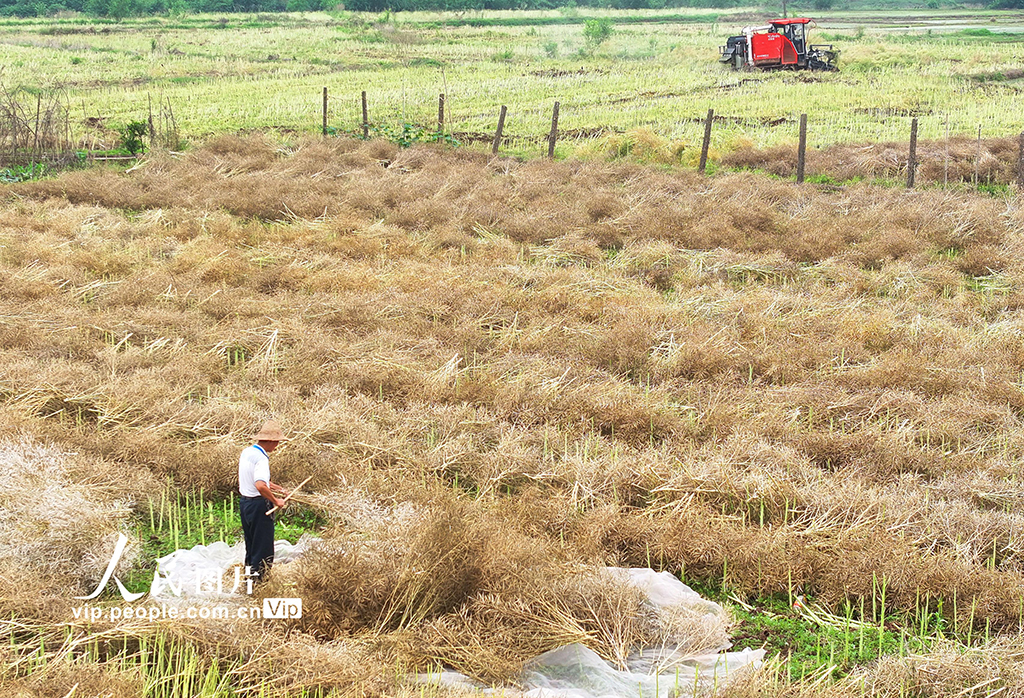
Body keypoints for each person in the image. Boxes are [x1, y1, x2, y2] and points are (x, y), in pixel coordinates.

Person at [238, 420, 289, 582]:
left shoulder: (247, 452)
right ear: (270, 441)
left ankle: (249, 578)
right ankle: (258, 583)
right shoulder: (262, 458)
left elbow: (258, 480)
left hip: (245, 504)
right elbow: (260, 485)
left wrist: (276, 487)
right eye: (277, 443)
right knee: (263, 548)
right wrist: (276, 500)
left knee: (251, 545)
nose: (277, 446)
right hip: (259, 506)